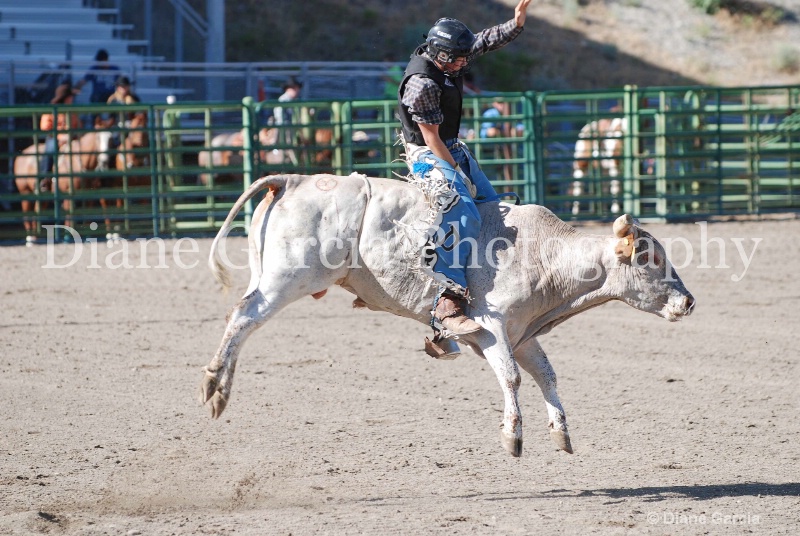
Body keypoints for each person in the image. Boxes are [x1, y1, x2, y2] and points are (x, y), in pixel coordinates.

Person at [397, 0, 532, 339]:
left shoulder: (448, 60)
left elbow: (483, 41)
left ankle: (488, 279)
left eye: (462, 56)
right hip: (427, 151)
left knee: (491, 205)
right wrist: (457, 170)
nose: (464, 62)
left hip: (450, 144)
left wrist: (514, 24)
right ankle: (448, 295)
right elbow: (430, 139)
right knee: (465, 212)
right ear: (440, 55)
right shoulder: (422, 84)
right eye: (458, 58)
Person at [95, 76, 141, 171]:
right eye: (121, 86)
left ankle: (143, 162)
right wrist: (106, 124)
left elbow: (139, 116)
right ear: (117, 87)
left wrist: (133, 122)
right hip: (117, 126)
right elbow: (110, 117)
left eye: (125, 86)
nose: (123, 88)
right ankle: (104, 163)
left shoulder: (134, 99)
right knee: (106, 139)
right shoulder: (113, 100)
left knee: (140, 137)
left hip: (131, 126)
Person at [39, 83, 81, 183]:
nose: (72, 99)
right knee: (51, 148)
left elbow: (78, 125)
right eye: (70, 97)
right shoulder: (51, 110)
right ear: (65, 98)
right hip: (54, 137)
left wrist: (74, 134)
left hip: (71, 138)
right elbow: (45, 127)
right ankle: (45, 177)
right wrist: (60, 137)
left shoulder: (72, 111)